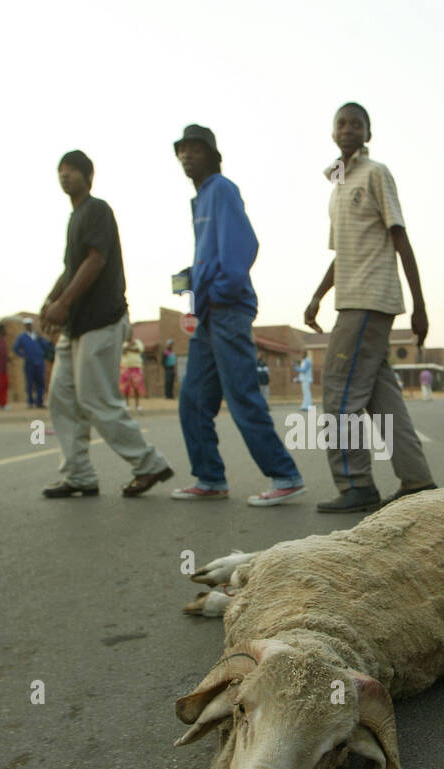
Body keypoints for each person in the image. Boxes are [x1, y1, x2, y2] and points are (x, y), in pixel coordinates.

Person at [305, 103, 437, 513]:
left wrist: (420, 305)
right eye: (341, 123)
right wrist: (317, 294)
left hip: (369, 299)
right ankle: (417, 479)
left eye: (356, 124)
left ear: (368, 134)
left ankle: (356, 484)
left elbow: (400, 237)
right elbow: (342, 254)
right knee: (381, 394)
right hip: (351, 297)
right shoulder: (338, 186)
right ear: (332, 133)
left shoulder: (376, 173)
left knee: (339, 394)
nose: (347, 129)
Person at [171, 125, 304, 506]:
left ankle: (286, 475)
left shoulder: (223, 189)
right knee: (193, 399)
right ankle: (210, 478)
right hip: (209, 312)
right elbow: (208, 256)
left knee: (242, 395)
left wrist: (218, 291)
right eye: (182, 150)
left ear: (212, 155)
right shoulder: (198, 201)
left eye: (196, 149)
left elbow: (243, 245)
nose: (187, 155)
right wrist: (189, 282)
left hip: (228, 309)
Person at [40, 150, 173, 499]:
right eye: (60, 171)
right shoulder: (75, 218)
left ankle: (149, 464)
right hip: (76, 326)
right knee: (62, 397)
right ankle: (78, 474)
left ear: (88, 175)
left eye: (71, 171)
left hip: (101, 318)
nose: (64, 176)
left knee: (95, 397)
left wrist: (63, 303)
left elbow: (95, 261)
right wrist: (51, 301)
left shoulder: (97, 210)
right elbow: (71, 269)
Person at [13, 317, 47, 408]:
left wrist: (42, 353)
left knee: (40, 382)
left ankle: (39, 402)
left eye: (30, 324)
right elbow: (15, 349)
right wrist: (24, 355)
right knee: (30, 383)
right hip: (29, 363)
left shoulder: (37, 336)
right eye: (27, 325)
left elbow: (46, 346)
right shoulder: (22, 337)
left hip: (39, 362)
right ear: (25, 326)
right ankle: (30, 402)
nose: (29, 326)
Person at [120, 335, 145, 412]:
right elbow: (122, 351)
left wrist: (128, 348)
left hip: (136, 367)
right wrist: (130, 347)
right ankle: (127, 405)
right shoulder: (123, 343)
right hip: (125, 367)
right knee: (125, 387)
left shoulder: (138, 342)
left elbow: (139, 350)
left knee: (137, 386)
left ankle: (137, 405)